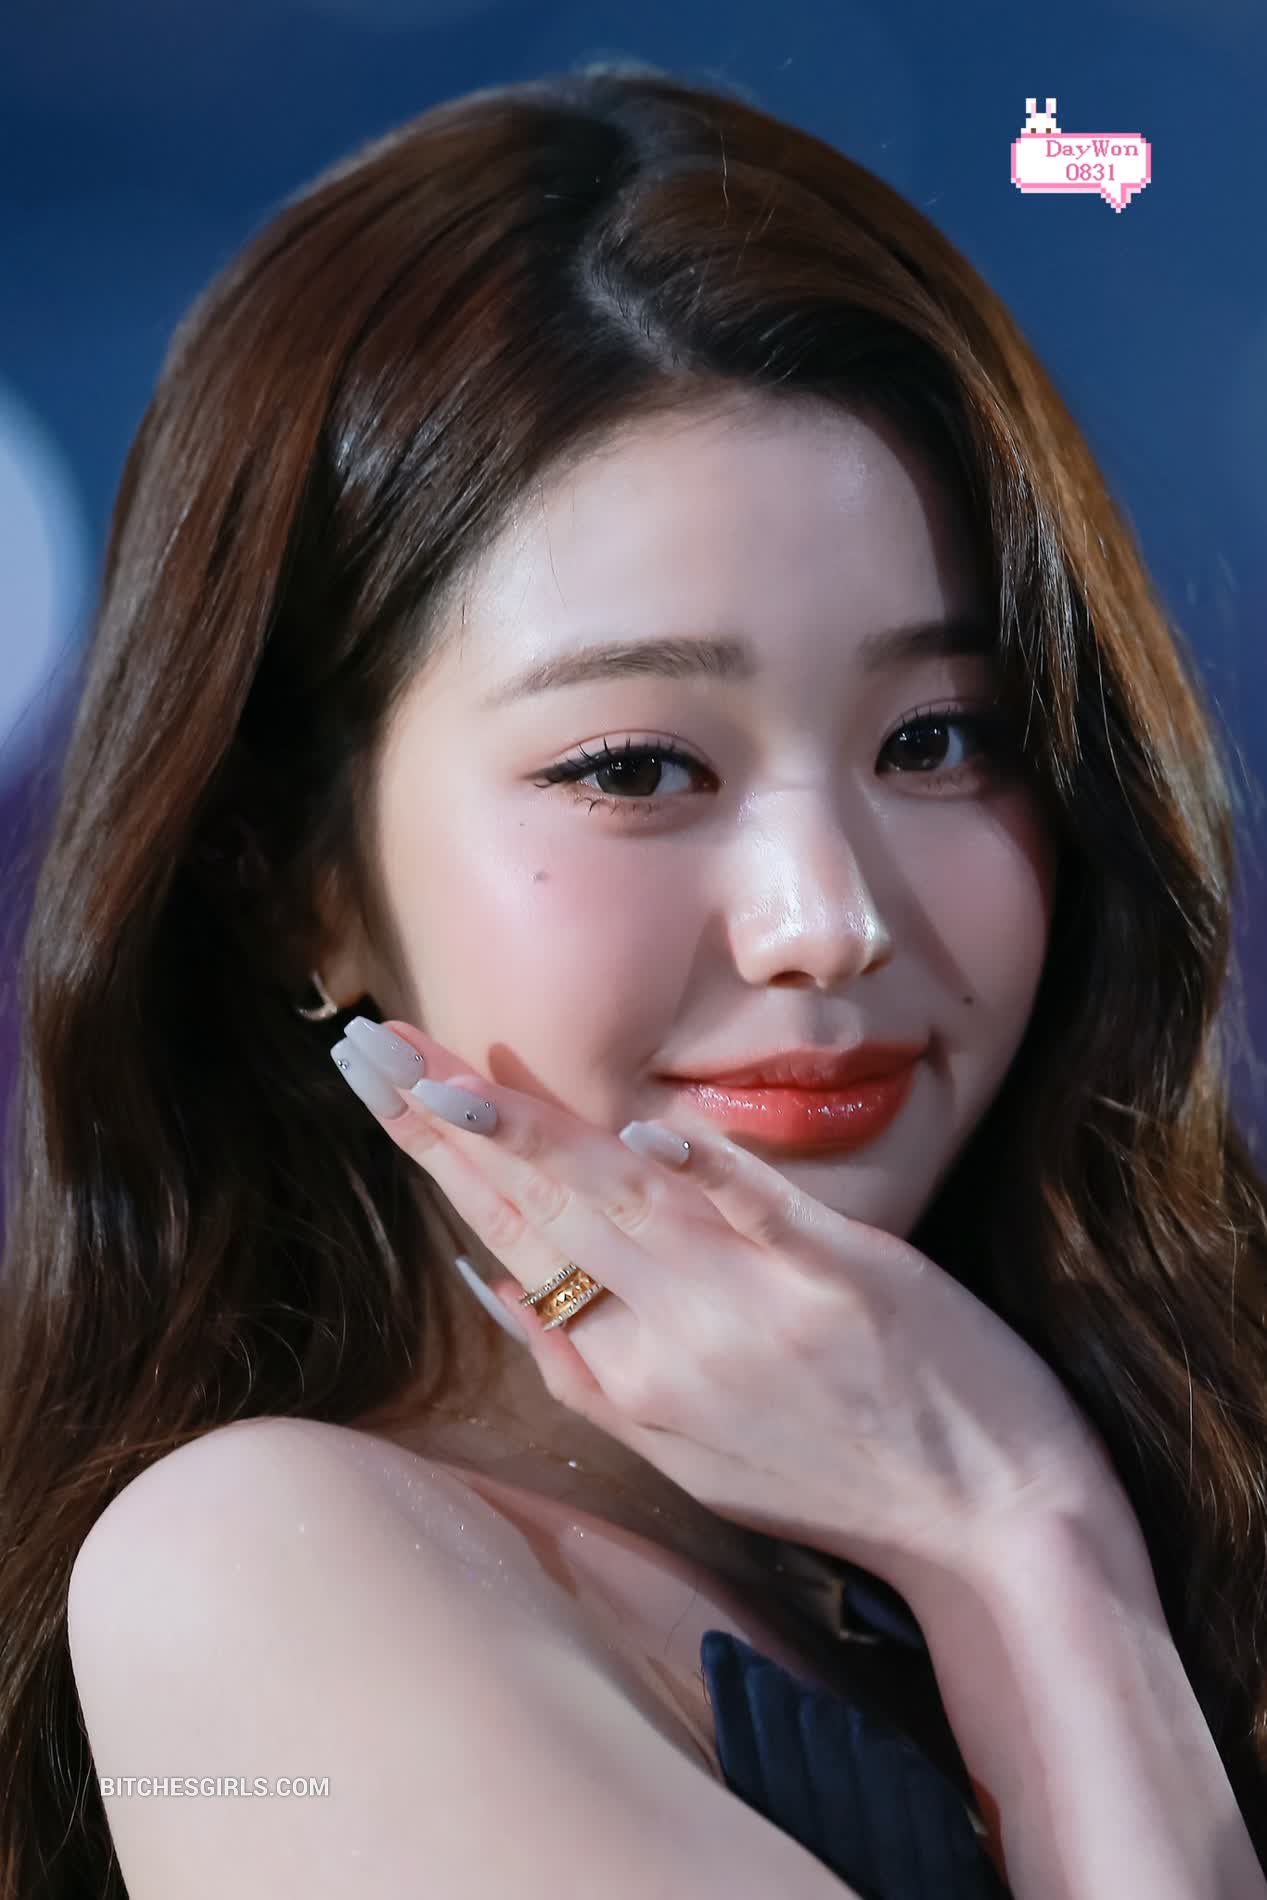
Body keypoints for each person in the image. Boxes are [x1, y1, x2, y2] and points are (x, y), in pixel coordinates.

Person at [1, 56, 1265, 1900]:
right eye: (638, 768)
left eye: (939, 739)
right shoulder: (262, 1570)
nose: (823, 923)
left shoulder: (1210, 1464)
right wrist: (1016, 1534)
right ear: (294, 885)